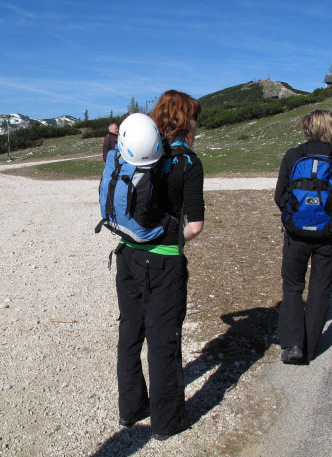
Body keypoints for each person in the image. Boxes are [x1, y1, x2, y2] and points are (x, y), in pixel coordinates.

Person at [115, 90, 204, 440]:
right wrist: (172, 239)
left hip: (127, 256)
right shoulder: (188, 162)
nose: (197, 123)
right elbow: (194, 225)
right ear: (185, 119)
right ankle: (167, 422)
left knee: (130, 333)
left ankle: (132, 408)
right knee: (164, 340)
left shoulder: (137, 154)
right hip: (163, 264)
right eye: (195, 116)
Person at [274, 109, 332, 364]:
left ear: (307, 128)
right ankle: (310, 349)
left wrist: (294, 216)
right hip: (329, 235)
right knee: (320, 289)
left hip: (296, 233)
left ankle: (292, 345)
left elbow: (280, 196)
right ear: (331, 128)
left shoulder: (293, 155)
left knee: (293, 286)